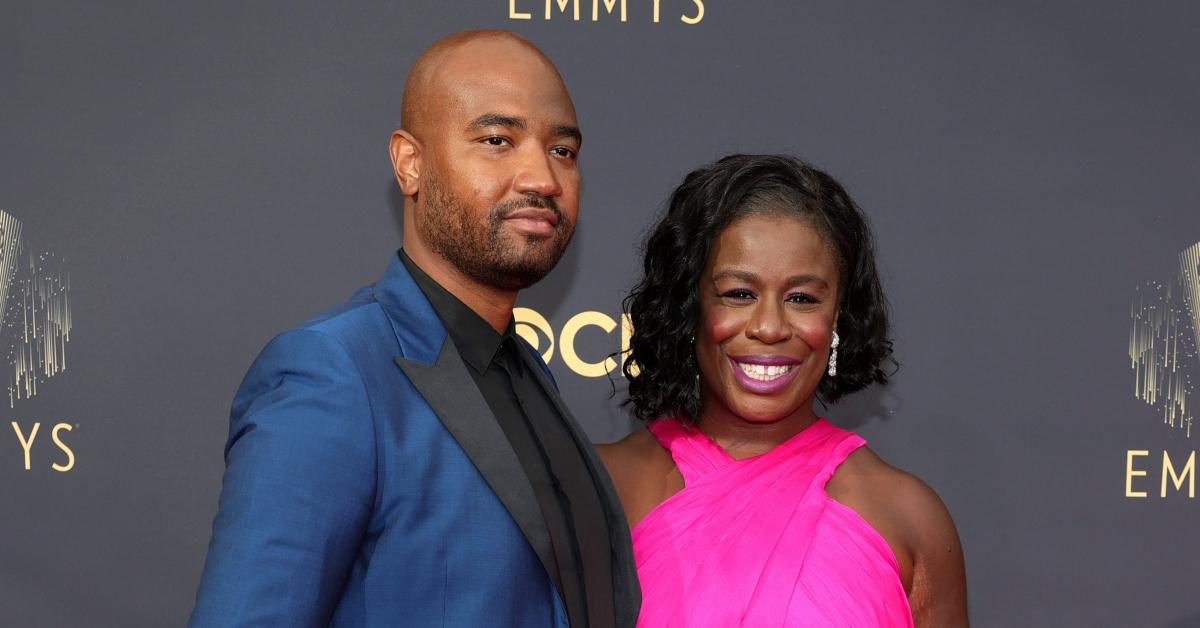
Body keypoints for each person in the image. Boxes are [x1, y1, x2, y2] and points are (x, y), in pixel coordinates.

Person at [189, 30, 639, 627]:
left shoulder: (530, 376)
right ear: (410, 163)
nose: (542, 177)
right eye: (497, 140)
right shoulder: (333, 374)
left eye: (563, 151)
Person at [598, 155, 967, 627]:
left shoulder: (910, 518)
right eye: (738, 293)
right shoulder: (601, 488)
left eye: (801, 299)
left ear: (839, 317)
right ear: (689, 307)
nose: (769, 327)